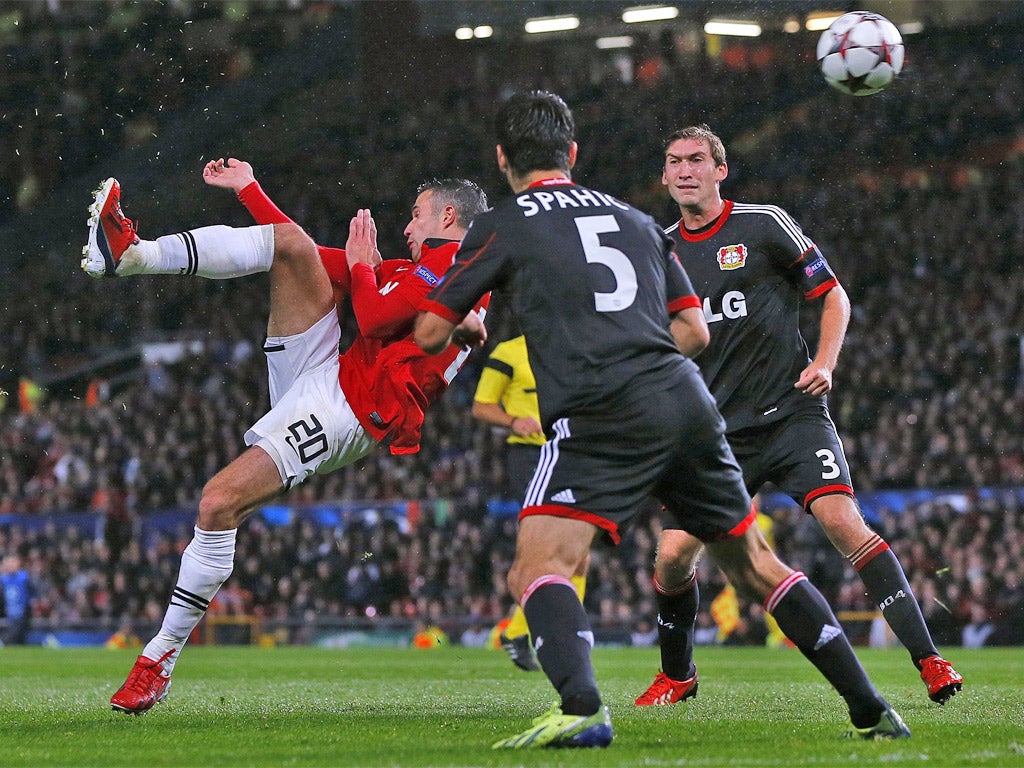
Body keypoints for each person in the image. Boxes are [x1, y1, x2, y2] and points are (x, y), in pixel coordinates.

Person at [414, 90, 909, 749]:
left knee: (536, 570)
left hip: (598, 411)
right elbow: (695, 331)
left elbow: (427, 333)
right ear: (574, 153)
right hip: (685, 401)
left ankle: (583, 706)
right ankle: (871, 708)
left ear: (503, 158)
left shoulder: (505, 222)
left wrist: (473, 324)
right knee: (756, 564)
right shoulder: (637, 220)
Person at [82, 158, 489, 714]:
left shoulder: (461, 270)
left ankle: (158, 659)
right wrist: (250, 190)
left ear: (448, 216)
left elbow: (369, 319)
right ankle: (134, 254)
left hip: (348, 412)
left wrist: (363, 267)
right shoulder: (415, 270)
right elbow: (311, 257)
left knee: (218, 502)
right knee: (291, 246)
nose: (407, 228)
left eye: (416, 217)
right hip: (327, 374)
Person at [634, 124, 962, 708]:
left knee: (843, 523)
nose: (684, 170)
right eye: (674, 161)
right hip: (715, 435)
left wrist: (827, 364)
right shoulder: (658, 251)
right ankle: (677, 674)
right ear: (664, 176)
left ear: (719, 170)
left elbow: (834, 296)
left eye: (696, 160)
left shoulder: (763, 226)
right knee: (672, 555)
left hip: (790, 415)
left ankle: (930, 659)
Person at [471, 334, 587, 671]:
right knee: (549, 550)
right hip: (530, 456)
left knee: (579, 555)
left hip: (567, 452)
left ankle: (530, 631)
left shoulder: (572, 347)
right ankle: (551, 634)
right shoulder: (509, 352)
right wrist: (513, 421)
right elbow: (481, 405)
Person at [1, 554, 33, 645]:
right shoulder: (3, 579)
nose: (10, 565)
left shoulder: (24, 578)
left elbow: (33, 593)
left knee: (16, 636)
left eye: (12, 562)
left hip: (23, 612)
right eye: (8, 563)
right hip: (9, 613)